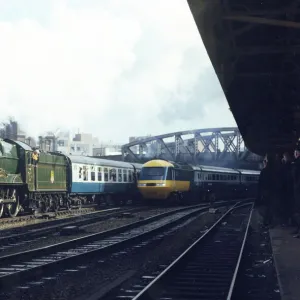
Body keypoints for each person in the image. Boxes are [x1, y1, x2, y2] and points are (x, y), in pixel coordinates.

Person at [281, 152, 294, 226]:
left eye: (284, 157)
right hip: (290, 189)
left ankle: (287, 222)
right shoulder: (292, 165)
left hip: (287, 190)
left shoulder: (286, 166)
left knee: (287, 208)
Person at [291, 144, 300, 237]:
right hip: (297, 189)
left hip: (298, 190)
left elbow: (294, 177)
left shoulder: (297, 164)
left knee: (298, 211)